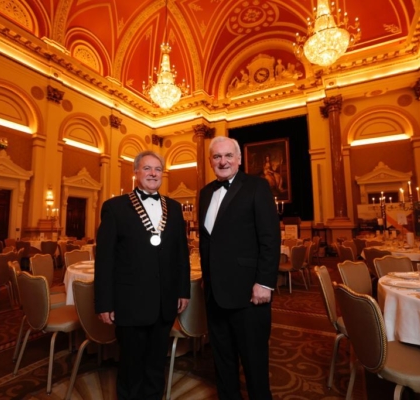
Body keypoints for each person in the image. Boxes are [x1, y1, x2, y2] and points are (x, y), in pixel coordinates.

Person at [94, 150, 191, 400]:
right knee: (131, 365)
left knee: (156, 363)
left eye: (157, 169)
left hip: (165, 301)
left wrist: (183, 290)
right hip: (130, 302)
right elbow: (105, 260)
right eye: (147, 168)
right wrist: (105, 302)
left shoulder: (175, 207)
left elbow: (181, 254)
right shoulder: (115, 207)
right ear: (136, 173)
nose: (152, 173)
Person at [198, 136, 281, 400]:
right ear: (211, 161)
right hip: (215, 294)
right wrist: (207, 277)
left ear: (239, 159)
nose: (222, 161)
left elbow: (270, 238)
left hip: (249, 292)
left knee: (254, 363)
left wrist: (265, 283)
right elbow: (207, 240)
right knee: (222, 361)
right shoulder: (206, 193)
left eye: (228, 156)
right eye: (217, 156)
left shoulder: (257, 186)